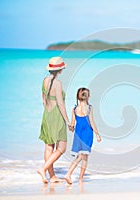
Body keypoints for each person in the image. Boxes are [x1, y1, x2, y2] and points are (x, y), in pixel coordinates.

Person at [37, 56, 71, 184]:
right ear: (60, 70)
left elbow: (43, 99)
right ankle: (43, 169)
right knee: (61, 148)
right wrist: (67, 121)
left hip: (47, 115)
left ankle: (51, 176)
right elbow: (61, 104)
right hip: (57, 116)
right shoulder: (57, 83)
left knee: (48, 147)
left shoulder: (44, 80)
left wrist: (47, 113)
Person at [65, 87, 101, 184]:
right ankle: (68, 174)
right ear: (88, 96)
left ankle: (80, 178)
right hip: (87, 134)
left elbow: (72, 125)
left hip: (78, 134)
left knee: (84, 157)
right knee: (82, 156)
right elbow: (92, 122)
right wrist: (97, 134)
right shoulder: (89, 108)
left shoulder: (74, 109)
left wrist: (70, 127)